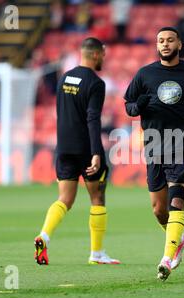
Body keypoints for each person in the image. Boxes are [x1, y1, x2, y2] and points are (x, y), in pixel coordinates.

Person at [124, 27, 184, 281]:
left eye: (169, 40)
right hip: (153, 144)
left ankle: (166, 258)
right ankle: (179, 239)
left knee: (177, 199)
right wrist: (138, 106)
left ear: (179, 44)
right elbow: (129, 105)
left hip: (183, 143)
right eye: (161, 41)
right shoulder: (145, 74)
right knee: (158, 210)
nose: (165, 44)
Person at [34, 37, 120, 266]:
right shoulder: (95, 83)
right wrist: (95, 151)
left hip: (63, 147)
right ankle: (97, 253)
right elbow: (92, 118)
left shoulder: (64, 78)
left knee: (64, 199)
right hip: (85, 148)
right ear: (95, 54)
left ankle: (44, 236)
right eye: (102, 53)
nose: (104, 57)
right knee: (97, 198)